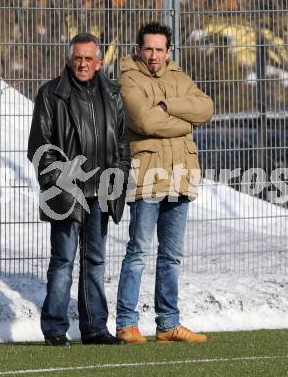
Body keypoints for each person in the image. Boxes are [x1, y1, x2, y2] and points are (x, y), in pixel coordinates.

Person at [28, 33, 130, 346]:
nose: (82, 63)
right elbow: (40, 147)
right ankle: (55, 329)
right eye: (77, 58)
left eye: (88, 58)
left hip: (100, 193)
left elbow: (123, 144)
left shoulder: (113, 95)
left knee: (95, 263)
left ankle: (95, 329)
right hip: (65, 195)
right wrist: (60, 182)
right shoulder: (51, 94)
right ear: (70, 59)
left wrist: (118, 179)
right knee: (62, 263)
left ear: (99, 63)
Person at [116, 22, 213, 344]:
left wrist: (168, 106)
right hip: (147, 177)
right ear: (138, 50)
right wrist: (185, 124)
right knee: (139, 252)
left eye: (160, 49)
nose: (154, 55)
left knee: (171, 256)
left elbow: (206, 108)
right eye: (148, 49)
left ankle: (168, 324)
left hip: (180, 175)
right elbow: (142, 120)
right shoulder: (129, 77)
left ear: (168, 51)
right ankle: (127, 323)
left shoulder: (179, 77)